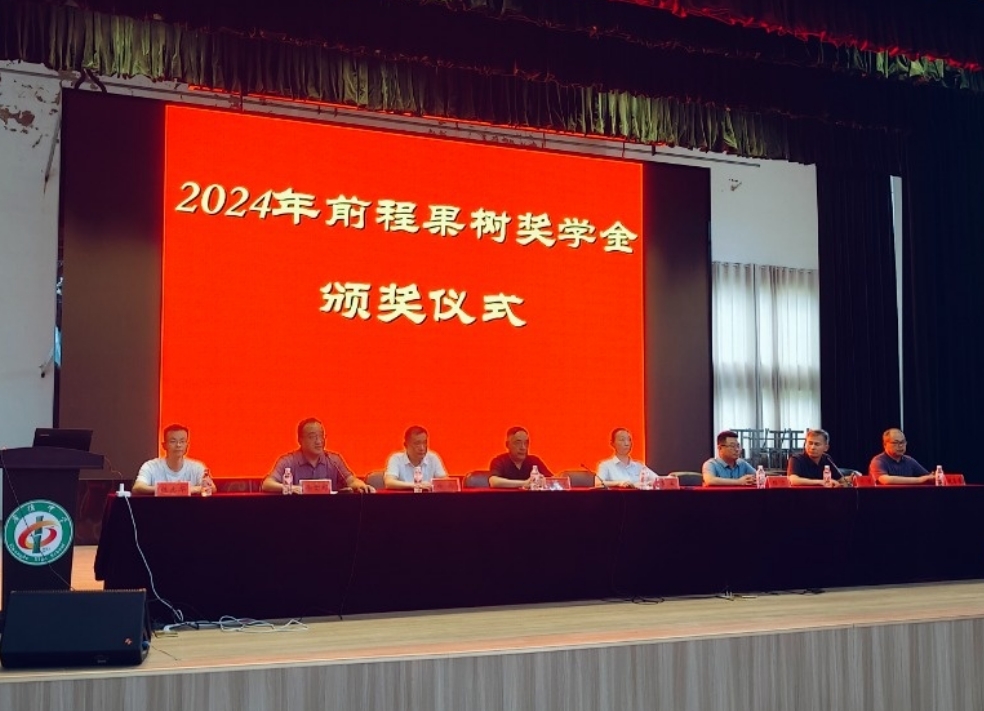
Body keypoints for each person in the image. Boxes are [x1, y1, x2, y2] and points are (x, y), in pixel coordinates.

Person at [261, 417, 373, 494]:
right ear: (300, 440)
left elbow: (351, 481)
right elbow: (267, 484)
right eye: (312, 437)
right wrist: (291, 488)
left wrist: (361, 485)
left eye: (321, 436)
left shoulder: (334, 460)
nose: (319, 441)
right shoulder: (288, 461)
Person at [133, 423, 214, 496]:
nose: (178, 445)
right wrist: (172, 490)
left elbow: (211, 488)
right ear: (164, 445)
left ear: (187, 445)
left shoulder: (197, 467)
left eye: (182, 441)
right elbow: (137, 487)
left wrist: (190, 490)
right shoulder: (150, 466)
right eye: (173, 441)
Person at [384, 425, 448, 491]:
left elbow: (445, 482)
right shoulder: (396, 459)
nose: (422, 448)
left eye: (425, 443)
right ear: (406, 445)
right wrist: (416, 485)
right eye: (417, 443)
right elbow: (389, 483)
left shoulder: (433, 458)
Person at [489, 426, 553, 488]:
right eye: (518, 443)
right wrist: (524, 483)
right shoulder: (500, 461)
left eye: (526, 443)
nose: (523, 447)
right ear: (507, 445)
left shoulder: (534, 461)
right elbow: (493, 482)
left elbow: (551, 480)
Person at [868, 428, 933, 485]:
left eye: (903, 442)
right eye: (896, 442)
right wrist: (919, 480)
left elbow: (928, 476)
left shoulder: (909, 460)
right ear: (885, 445)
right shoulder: (878, 461)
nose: (900, 445)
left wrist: (934, 476)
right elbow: (886, 480)